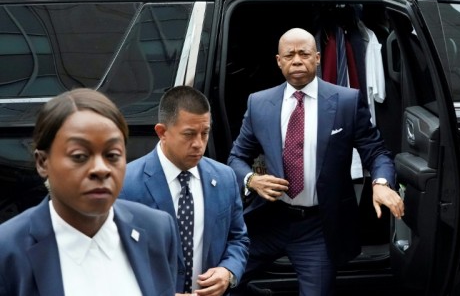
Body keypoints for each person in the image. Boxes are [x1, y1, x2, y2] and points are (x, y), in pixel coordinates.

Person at [227, 28, 405, 296]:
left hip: (318, 227)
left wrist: (381, 183)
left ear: (318, 58)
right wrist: (252, 180)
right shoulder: (259, 103)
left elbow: (376, 151)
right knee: (220, 280)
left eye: (304, 53)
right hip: (269, 220)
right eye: (289, 55)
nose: (297, 60)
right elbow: (236, 157)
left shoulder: (346, 101)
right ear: (278, 61)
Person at [0, 88, 179, 296]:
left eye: (112, 155)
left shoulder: (157, 229)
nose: (100, 169)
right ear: (42, 162)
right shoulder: (9, 250)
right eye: (79, 156)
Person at [119, 85, 249, 296]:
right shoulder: (126, 184)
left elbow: (238, 239)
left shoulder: (224, 178)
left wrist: (228, 271)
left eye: (205, 133)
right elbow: (113, 259)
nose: (199, 144)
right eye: (189, 134)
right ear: (162, 132)